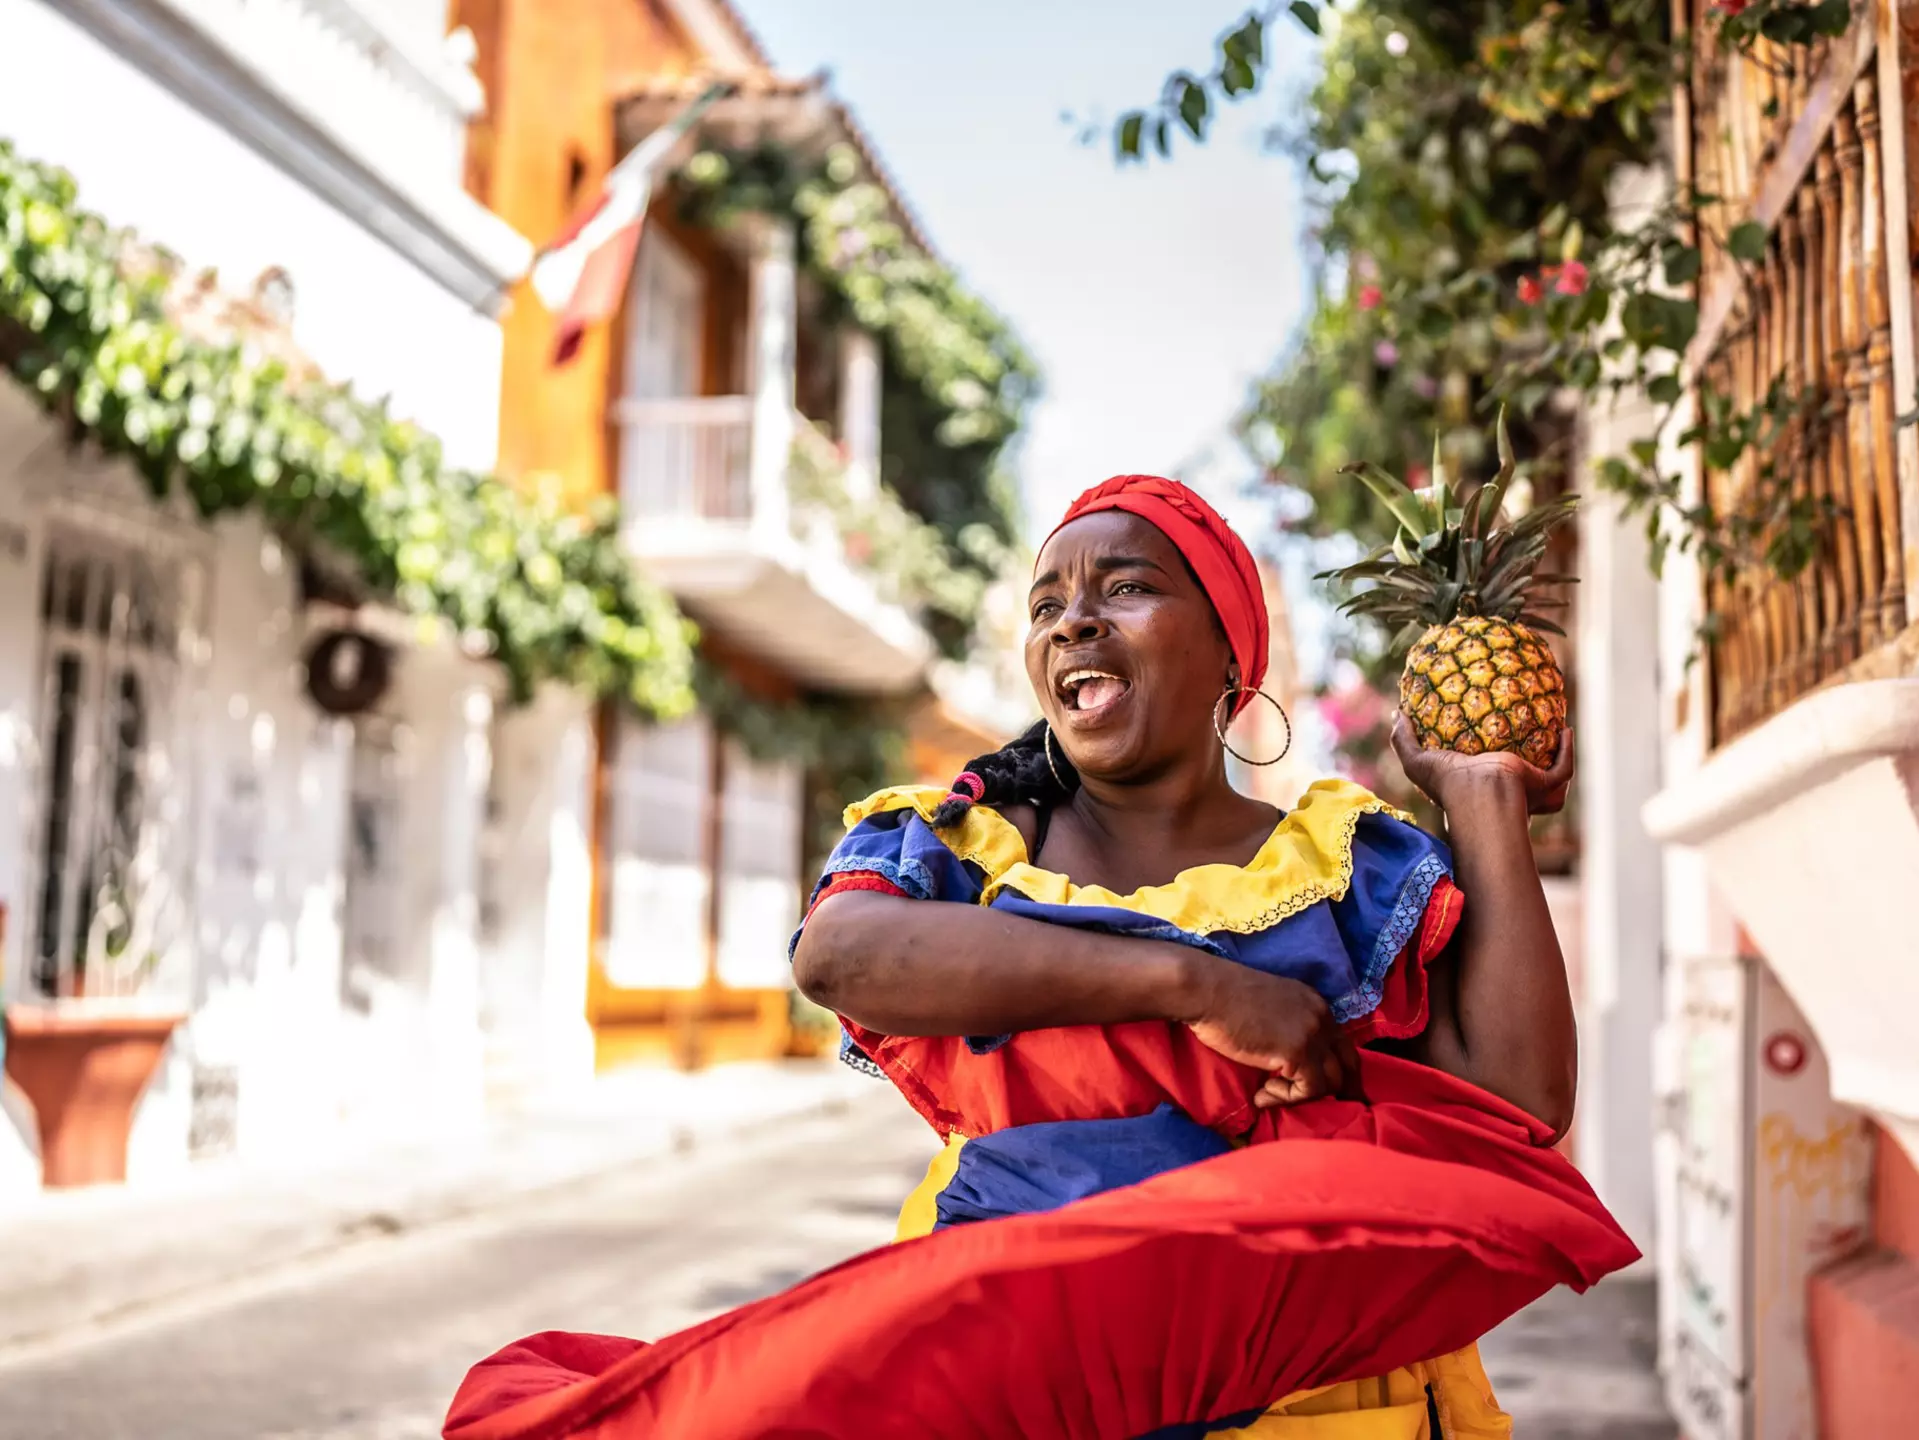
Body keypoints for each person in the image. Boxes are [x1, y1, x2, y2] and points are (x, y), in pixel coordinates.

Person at [444, 476, 1635, 1440]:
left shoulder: (1347, 867)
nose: (1072, 619)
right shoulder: (959, 844)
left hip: (1323, 1404)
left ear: (1232, 657)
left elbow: (1518, 1109)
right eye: (1047, 600)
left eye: (1127, 587)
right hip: (1011, 1387)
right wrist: (1195, 984)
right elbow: (840, 955)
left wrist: (1483, 801)